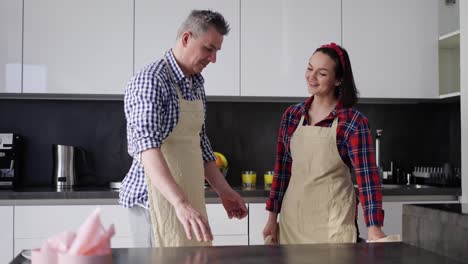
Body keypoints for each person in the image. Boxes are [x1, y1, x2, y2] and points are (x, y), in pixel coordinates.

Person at [119, 9, 247, 248]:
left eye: (217, 51)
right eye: (208, 49)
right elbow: (147, 147)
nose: (213, 59)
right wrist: (180, 203)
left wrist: (225, 192)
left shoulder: (195, 83)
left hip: (187, 199)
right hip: (153, 202)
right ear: (187, 38)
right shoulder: (151, 80)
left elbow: (200, 144)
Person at [263, 42, 386, 244]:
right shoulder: (292, 116)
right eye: (309, 68)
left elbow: (368, 179)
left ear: (338, 80)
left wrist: (374, 227)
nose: (311, 77)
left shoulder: (353, 122)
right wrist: (271, 219)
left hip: (334, 226)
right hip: (293, 223)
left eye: (321, 73)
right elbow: (282, 172)